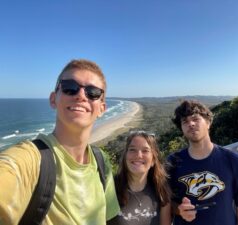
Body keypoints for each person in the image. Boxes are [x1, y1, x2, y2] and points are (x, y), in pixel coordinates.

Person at [0, 59, 120, 225]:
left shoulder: (101, 162)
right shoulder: (31, 160)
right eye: (70, 88)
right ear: (53, 99)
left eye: (93, 92)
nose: (81, 96)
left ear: (101, 108)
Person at [167, 100, 238, 225]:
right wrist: (179, 211)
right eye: (185, 121)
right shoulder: (172, 162)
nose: (190, 123)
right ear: (182, 129)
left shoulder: (234, 161)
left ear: (208, 123)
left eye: (195, 119)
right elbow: (166, 205)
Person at [107, 131, 172, 225]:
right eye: (132, 149)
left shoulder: (161, 189)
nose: (138, 155)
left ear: (153, 160)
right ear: (125, 156)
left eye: (145, 150)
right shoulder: (110, 189)